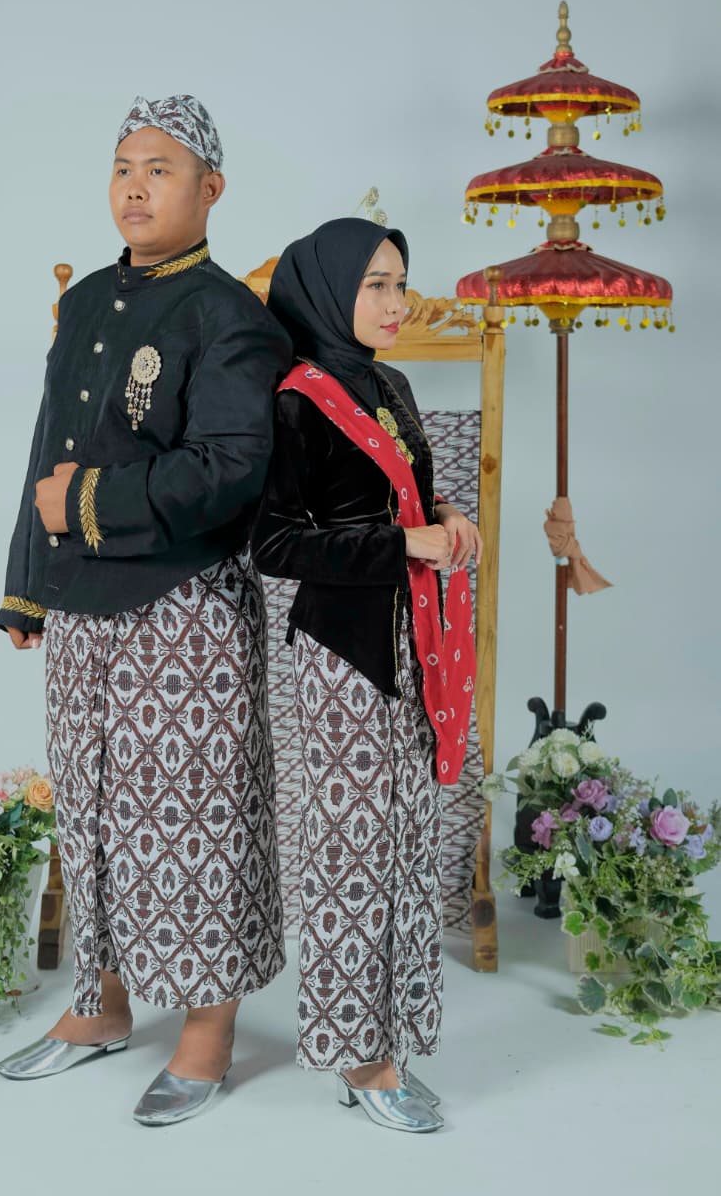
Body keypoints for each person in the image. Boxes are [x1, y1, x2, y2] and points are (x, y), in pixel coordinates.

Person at [0, 94, 291, 1127]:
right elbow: (47, 447)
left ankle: (208, 1028)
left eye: (159, 169)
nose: (134, 186)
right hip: (84, 604)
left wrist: (84, 502)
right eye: (123, 166)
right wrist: (26, 586)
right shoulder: (85, 303)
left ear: (211, 188)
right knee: (92, 811)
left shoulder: (230, 317)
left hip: (187, 606)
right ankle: (101, 1003)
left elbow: (229, 470)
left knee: (194, 819)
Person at [252, 218, 481, 1134]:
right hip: (347, 657)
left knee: (402, 848)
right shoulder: (296, 400)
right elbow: (275, 545)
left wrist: (444, 517)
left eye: (400, 283)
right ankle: (359, 1056)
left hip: (415, 643)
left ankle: (393, 1038)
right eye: (375, 284)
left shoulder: (390, 384)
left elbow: (406, 499)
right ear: (325, 290)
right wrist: (401, 544)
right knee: (352, 857)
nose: (397, 302)